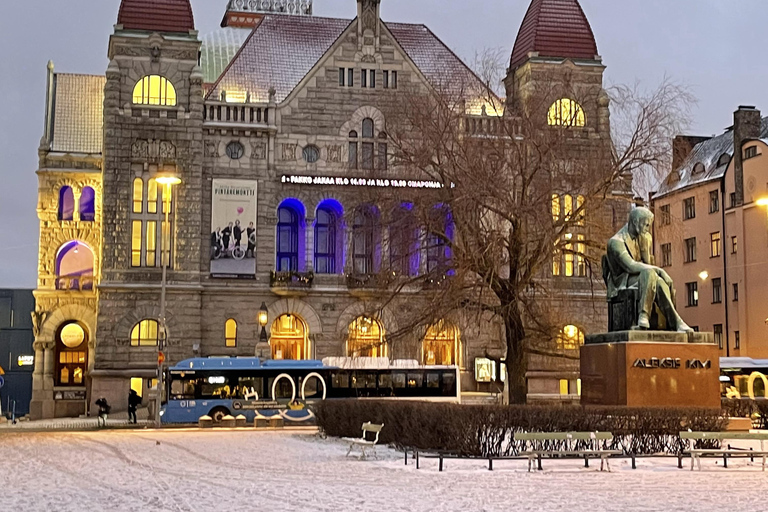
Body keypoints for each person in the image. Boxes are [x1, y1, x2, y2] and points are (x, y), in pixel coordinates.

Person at [603, 207, 693, 333]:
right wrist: (660, 270)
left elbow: (647, 264)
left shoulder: (644, 237)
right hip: (623, 281)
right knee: (651, 273)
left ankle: (653, 318)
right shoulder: (616, 242)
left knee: (658, 281)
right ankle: (666, 320)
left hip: (644, 278)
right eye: (646, 224)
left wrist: (645, 248)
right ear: (635, 222)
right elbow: (630, 265)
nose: (648, 228)